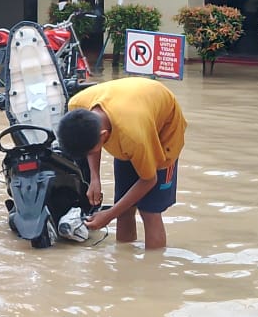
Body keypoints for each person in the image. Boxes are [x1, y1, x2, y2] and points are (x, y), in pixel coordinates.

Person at [56, 77, 187, 249]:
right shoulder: (77, 106)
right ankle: (125, 263)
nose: (91, 153)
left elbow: (149, 179)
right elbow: (90, 144)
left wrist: (109, 215)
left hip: (163, 133)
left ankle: (154, 269)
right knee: (124, 210)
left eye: (91, 150)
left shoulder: (133, 137)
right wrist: (95, 178)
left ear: (103, 136)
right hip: (131, 114)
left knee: (150, 212)